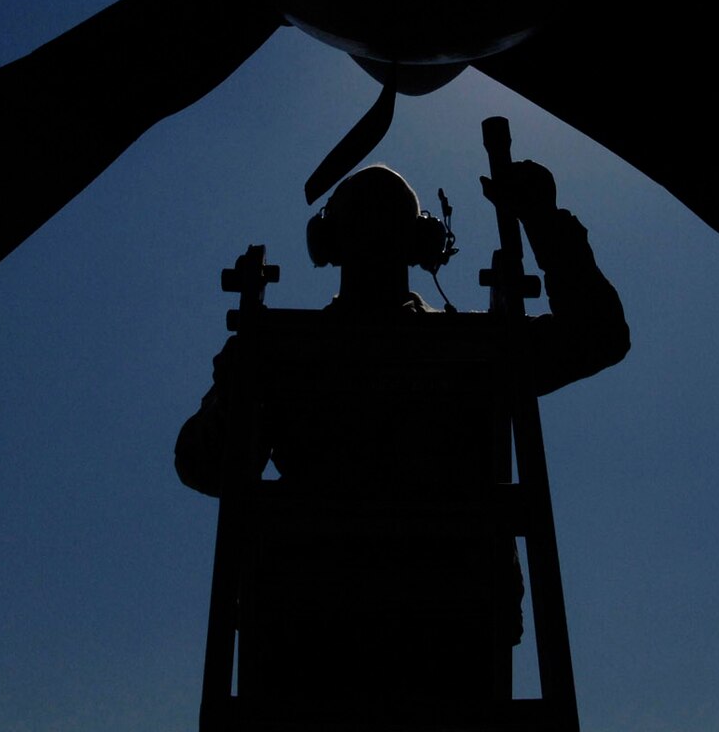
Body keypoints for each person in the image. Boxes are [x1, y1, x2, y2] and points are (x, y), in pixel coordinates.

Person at [176, 160, 628, 710]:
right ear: (422, 244)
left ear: (327, 243)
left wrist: (234, 393)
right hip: (450, 642)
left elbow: (203, 465)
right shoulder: (476, 352)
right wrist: (541, 220)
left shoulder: (286, 354)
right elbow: (597, 334)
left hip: (309, 643)